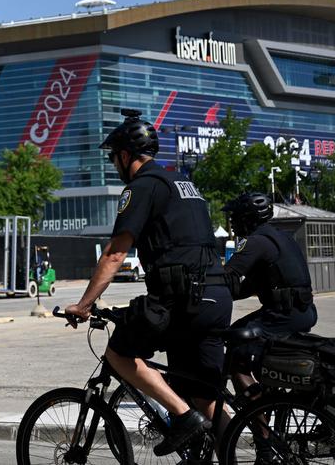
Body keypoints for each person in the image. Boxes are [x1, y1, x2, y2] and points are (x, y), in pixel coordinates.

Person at [64, 111, 232, 456]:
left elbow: (114, 254)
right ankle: (257, 452)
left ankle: (183, 417)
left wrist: (83, 306)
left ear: (126, 155)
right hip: (216, 297)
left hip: (183, 298)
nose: (114, 165)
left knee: (119, 353)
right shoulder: (184, 184)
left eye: (114, 158)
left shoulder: (143, 187)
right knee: (205, 396)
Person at [222, 192, 316, 396]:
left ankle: (257, 422)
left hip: (283, 316)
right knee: (241, 333)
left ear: (247, 218)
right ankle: (268, 398)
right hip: (301, 312)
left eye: (234, 217)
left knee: (236, 354)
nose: (232, 222)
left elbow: (226, 277)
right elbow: (246, 287)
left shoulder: (256, 242)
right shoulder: (281, 237)